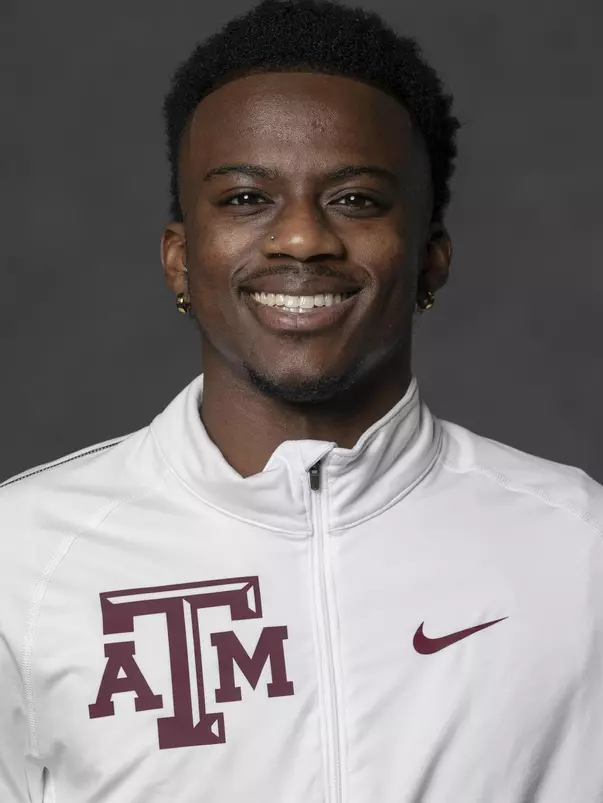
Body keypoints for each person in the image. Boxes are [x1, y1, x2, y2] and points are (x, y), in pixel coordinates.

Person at [1, 0, 602, 800]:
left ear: (430, 260)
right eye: (246, 198)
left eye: (355, 198)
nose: (300, 239)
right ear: (180, 259)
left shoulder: (577, 545)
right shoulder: (26, 557)